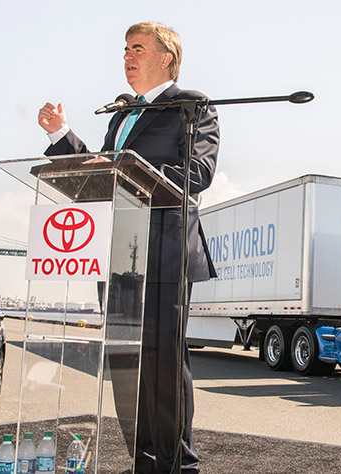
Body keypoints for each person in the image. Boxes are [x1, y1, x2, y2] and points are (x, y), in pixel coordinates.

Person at [38, 22, 219, 474]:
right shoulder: (121, 115)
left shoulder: (192, 107)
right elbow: (102, 176)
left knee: (162, 363)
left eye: (137, 48)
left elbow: (197, 174)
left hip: (162, 250)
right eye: (124, 50)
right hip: (118, 255)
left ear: (166, 58)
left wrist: (131, 169)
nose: (127, 56)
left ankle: (179, 465)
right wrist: (63, 136)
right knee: (126, 365)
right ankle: (143, 461)